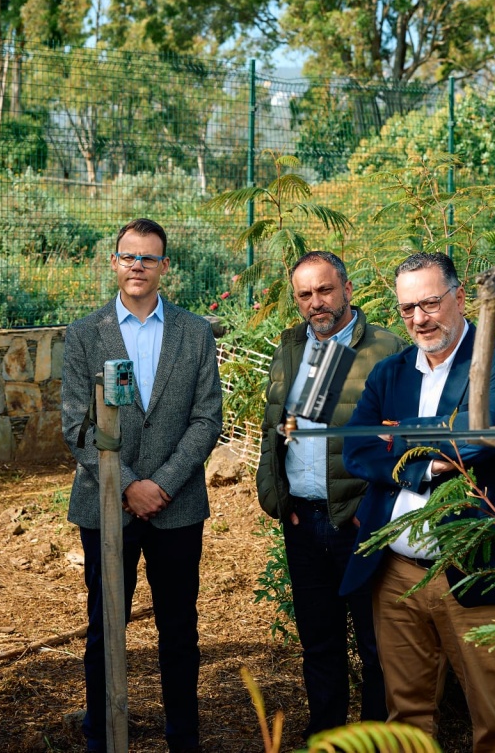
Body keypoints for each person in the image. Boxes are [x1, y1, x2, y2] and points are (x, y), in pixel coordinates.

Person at [340, 252, 495, 753]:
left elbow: (480, 438)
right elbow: (356, 448)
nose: (419, 319)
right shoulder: (391, 374)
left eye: (430, 303)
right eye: (407, 308)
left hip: (479, 569)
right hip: (397, 574)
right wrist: (430, 460)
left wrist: (400, 440)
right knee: (405, 718)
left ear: (459, 297)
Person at [61, 218, 223, 753]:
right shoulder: (86, 334)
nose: (137, 265)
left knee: (180, 633)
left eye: (148, 258)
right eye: (128, 256)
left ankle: (184, 739)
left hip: (177, 510)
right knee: (105, 630)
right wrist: (128, 485)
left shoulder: (195, 332)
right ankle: (102, 737)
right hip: (106, 508)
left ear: (164, 267)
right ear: (114, 262)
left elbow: (206, 420)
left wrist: (163, 485)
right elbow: (78, 427)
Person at [255, 251, 404, 738]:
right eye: (305, 294)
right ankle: (326, 739)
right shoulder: (290, 345)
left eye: (324, 290)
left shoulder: (386, 349)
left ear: (347, 290)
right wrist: (279, 500)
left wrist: (373, 507)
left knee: (376, 645)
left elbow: (404, 439)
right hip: (302, 522)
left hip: (361, 523)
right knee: (318, 645)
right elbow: (272, 428)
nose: (316, 302)